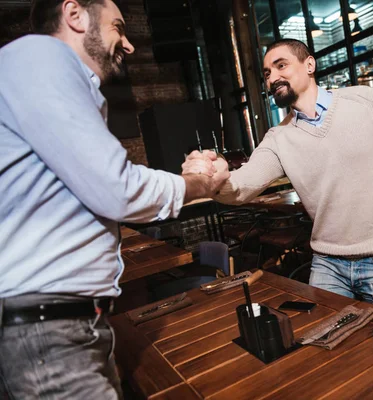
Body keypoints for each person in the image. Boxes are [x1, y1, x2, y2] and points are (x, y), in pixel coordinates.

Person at [0, 0, 228, 398]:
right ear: (75, 14)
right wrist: (194, 182)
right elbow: (115, 189)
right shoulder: (40, 56)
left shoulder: (39, 75)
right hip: (49, 332)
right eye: (118, 27)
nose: (128, 44)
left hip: (61, 325)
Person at [190, 38, 373, 313]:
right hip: (328, 263)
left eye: (281, 66)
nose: (272, 78)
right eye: (267, 73)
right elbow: (242, 186)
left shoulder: (363, 100)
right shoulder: (278, 138)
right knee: (326, 344)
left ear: (309, 65)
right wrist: (212, 178)